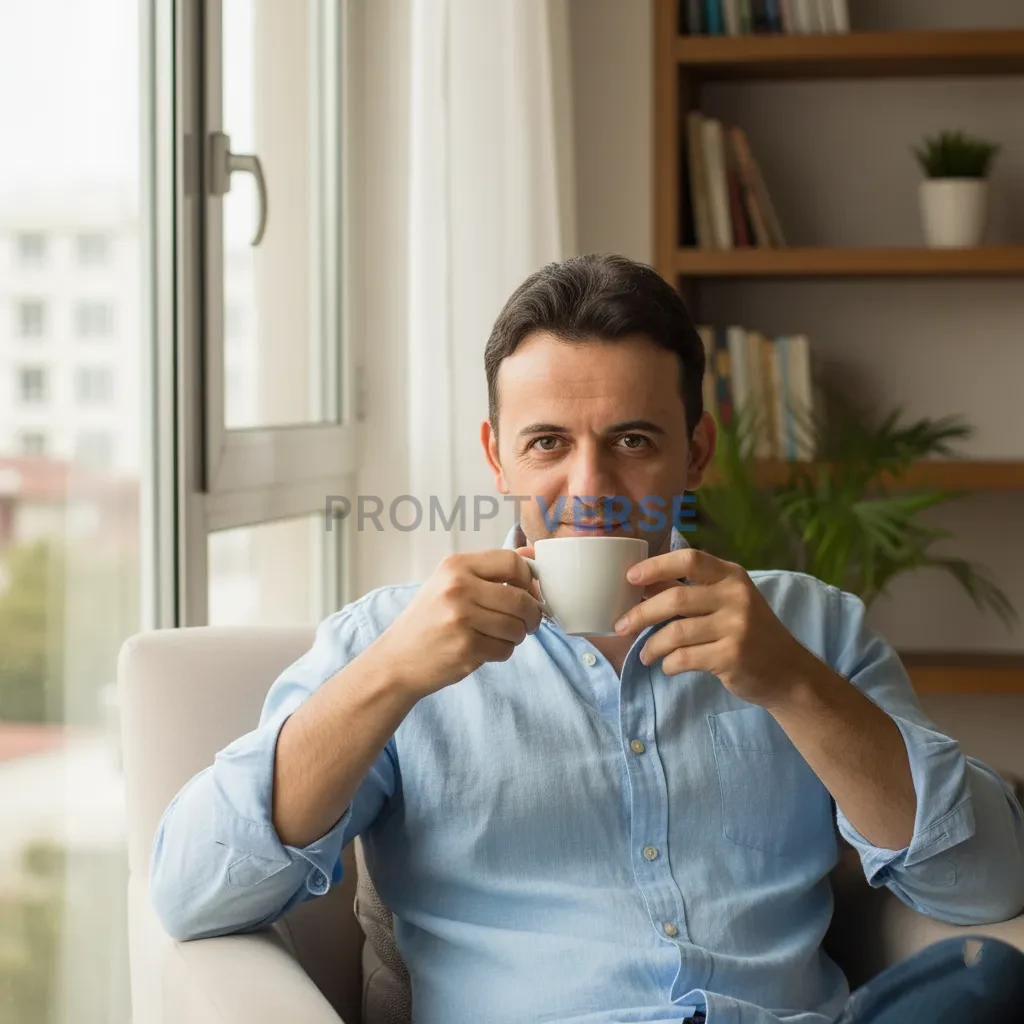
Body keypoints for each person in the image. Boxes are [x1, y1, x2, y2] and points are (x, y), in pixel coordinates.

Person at [150, 254, 1024, 1023]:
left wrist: (791, 683)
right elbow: (193, 892)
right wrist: (389, 680)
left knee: (982, 981)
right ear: (498, 457)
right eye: (547, 443)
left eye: (633, 440)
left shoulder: (808, 629)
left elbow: (987, 881)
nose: (591, 485)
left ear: (696, 450)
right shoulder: (391, 640)